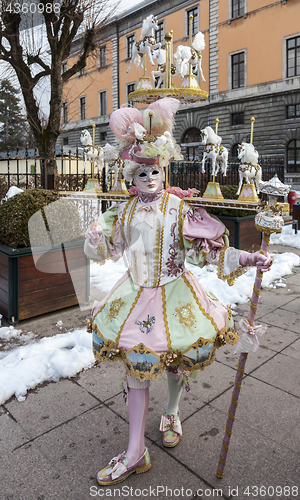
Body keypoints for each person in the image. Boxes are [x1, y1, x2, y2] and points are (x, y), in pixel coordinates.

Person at [84, 98, 271, 486]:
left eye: (154, 170)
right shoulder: (125, 211)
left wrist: (249, 260)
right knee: (136, 364)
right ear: (131, 176)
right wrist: (95, 239)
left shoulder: (180, 209)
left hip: (174, 292)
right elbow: (111, 250)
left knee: (174, 358)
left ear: (162, 166)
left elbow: (208, 253)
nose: (149, 178)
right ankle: (135, 451)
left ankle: (171, 410)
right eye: (141, 173)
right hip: (134, 295)